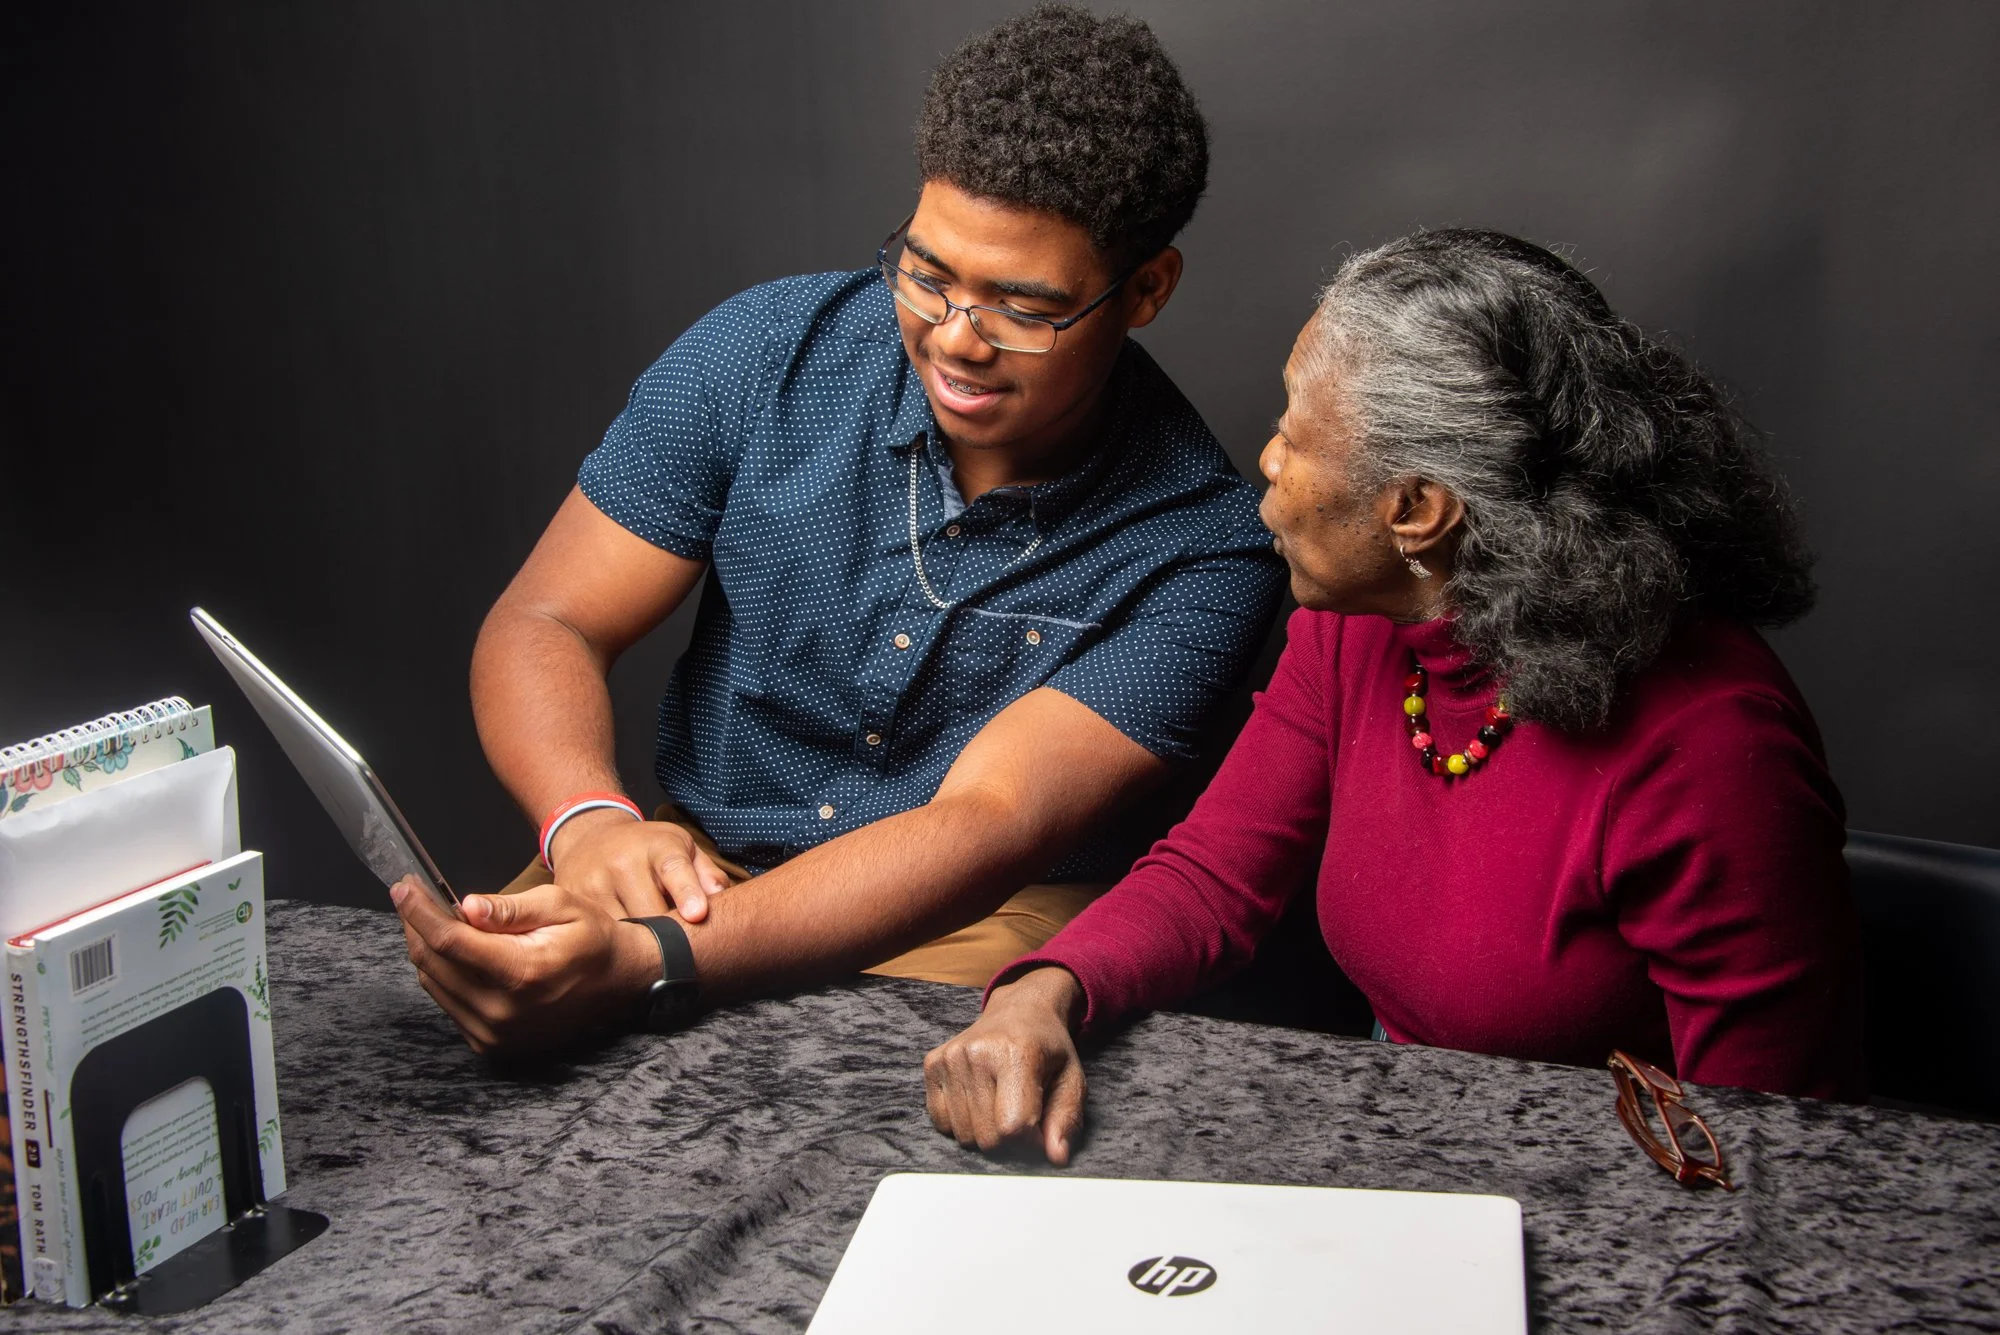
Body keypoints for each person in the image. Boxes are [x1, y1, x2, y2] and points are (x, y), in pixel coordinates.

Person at [391, 5, 1284, 1053]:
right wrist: (585, 821)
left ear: (1145, 290)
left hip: (975, 916)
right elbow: (546, 617)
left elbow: (988, 824)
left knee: (855, 1117)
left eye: (1022, 306)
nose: (956, 340)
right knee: (483, 1035)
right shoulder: (762, 352)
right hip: (696, 863)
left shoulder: (1206, 548)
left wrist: (656, 964)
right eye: (927, 272)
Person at [923, 228, 1869, 1164]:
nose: (1268, 458)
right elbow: (1215, 874)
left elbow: (1768, 1148)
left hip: (1613, 1183)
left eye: (1296, 434)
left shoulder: (1711, 753)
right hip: (1408, 1143)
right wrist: (1040, 991)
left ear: (1415, 510)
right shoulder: (1358, 625)